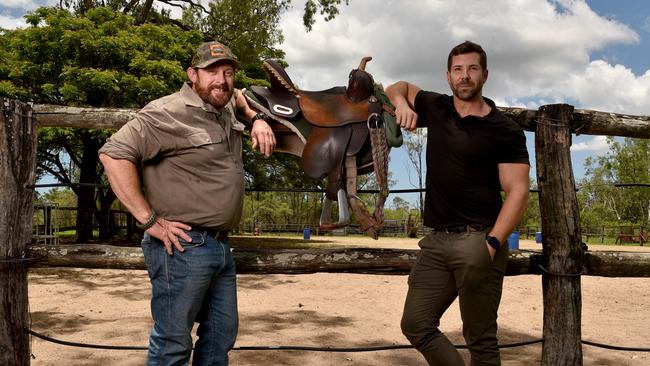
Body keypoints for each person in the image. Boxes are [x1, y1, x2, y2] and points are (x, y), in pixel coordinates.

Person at [99, 41, 276, 366]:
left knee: (219, 338)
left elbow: (239, 98)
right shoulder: (166, 112)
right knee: (172, 345)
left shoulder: (223, 105)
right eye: (212, 72)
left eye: (228, 72)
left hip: (222, 247)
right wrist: (149, 219)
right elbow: (113, 154)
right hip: (181, 248)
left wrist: (256, 118)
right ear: (192, 74)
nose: (222, 80)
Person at [386, 41, 530, 365]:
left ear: (485, 75)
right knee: (415, 323)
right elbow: (399, 87)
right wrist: (401, 103)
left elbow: (519, 192)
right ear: (449, 76)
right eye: (458, 69)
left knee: (480, 339)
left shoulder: (503, 129)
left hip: (478, 240)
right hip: (436, 241)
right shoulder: (436, 108)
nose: (465, 76)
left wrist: (491, 244)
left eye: (472, 69)